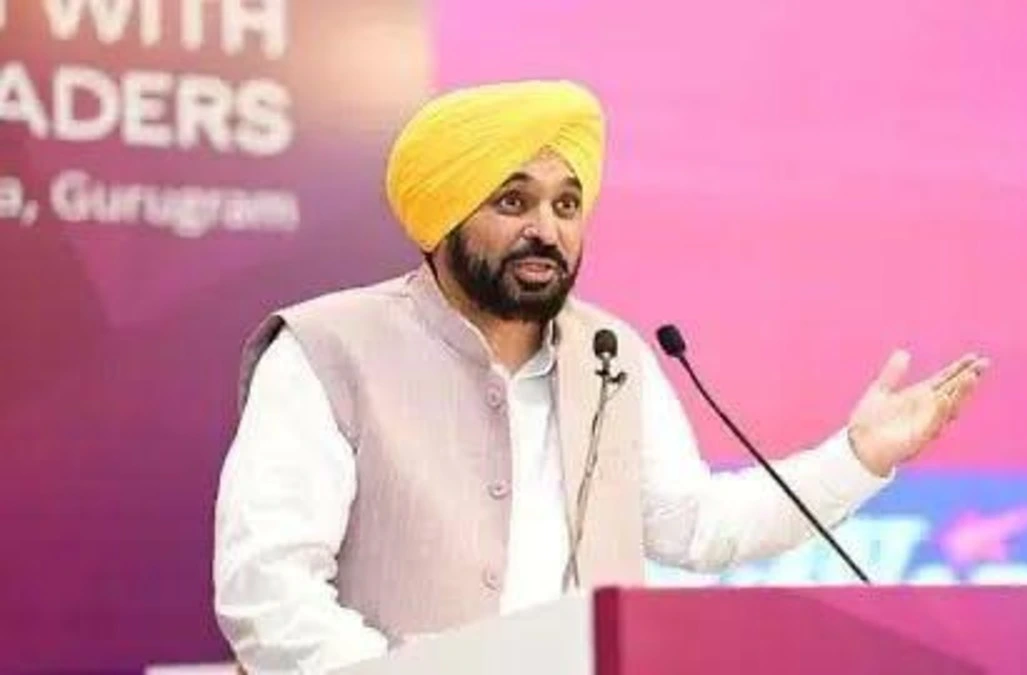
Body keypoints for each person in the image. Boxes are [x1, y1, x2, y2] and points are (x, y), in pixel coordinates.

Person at [212, 79, 988, 673]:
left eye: (566, 203)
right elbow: (268, 587)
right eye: (512, 200)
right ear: (443, 214)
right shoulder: (326, 349)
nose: (545, 229)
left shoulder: (611, 353)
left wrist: (857, 458)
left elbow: (697, 524)